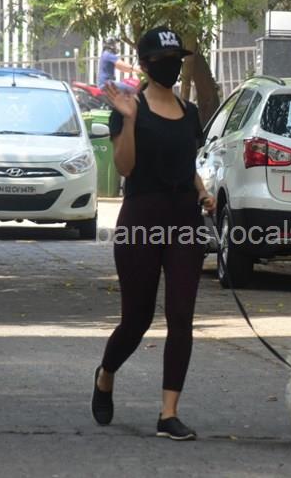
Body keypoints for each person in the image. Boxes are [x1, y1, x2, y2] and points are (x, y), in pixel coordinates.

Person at [91, 26, 216, 441]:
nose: (172, 66)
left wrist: (203, 191)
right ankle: (106, 373)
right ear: (145, 65)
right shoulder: (130, 107)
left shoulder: (190, 112)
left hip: (184, 222)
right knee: (137, 319)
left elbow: (186, 164)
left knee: (181, 317)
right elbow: (125, 168)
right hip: (141, 220)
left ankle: (168, 413)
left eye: (177, 59)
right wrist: (129, 121)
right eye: (164, 61)